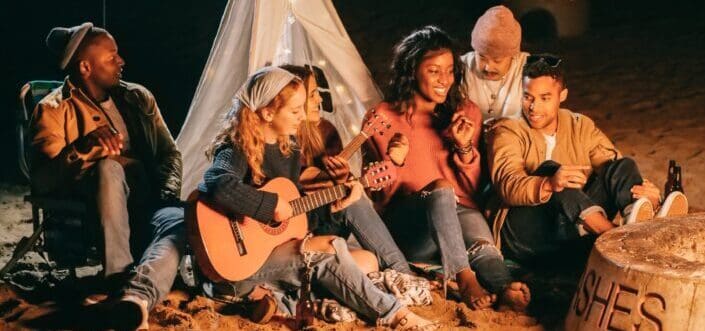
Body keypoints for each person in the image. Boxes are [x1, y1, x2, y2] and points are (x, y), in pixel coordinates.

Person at [197, 66, 437, 329]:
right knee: (329, 251)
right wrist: (269, 206)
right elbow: (218, 183)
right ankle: (394, 314)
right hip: (239, 263)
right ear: (267, 113)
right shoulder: (237, 148)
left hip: (274, 252)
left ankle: (274, 299)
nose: (303, 116)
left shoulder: (289, 148)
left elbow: (294, 218)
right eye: (295, 110)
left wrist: (338, 200)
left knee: (365, 261)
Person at [363, 26, 530, 312]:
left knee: (481, 244)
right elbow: (382, 198)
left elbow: (470, 191)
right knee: (440, 189)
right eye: (434, 71)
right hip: (411, 225)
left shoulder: (466, 113)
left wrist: (464, 148)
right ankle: (463, 278)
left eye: (450, 71)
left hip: (459, 212)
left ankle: (503, 287)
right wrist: (396, 162)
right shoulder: (383, 118)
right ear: (412, 70)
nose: (445, 80)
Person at [32, 23, 186, 329]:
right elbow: (43, 181)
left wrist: (167, 194)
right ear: (86, 66)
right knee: (108, 166)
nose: (121, 62)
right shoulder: (53, 110)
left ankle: (133, 296)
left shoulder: (138, 98)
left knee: (182, 223)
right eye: (111, 57)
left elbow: (170, 154)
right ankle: (118, 277)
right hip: (96, 211)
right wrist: (83, 148)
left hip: (149, 199)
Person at [486, 54, 689, 266]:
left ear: (562, 95)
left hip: (574, 226)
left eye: (545, 98)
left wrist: (648, 194)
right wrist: (549, 183)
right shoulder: (508, 130)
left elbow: (616, 171)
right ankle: (622, 239)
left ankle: (635, 222)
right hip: (526, 236)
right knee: (553, 171)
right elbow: (507, 185)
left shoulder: (579, 125)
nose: (534, 107)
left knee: (622, 165)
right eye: (528, 97)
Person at [461, 5, 528, 122]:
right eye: (481, 57)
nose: (488, 67)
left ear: (513, 55)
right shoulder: (462, 66)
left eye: (497, 60)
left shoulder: (527, 68)